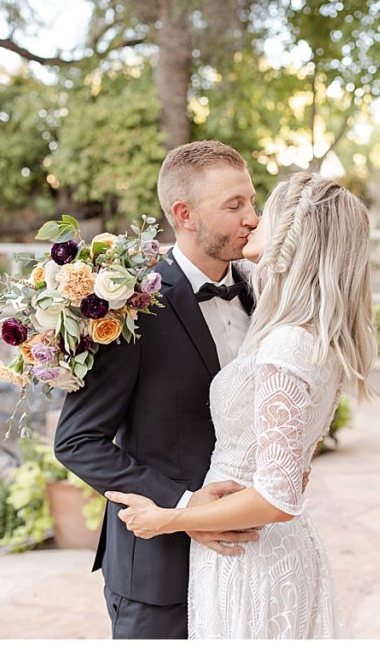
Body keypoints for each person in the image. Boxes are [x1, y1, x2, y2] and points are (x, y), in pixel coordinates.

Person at [107, 172, 377, 639]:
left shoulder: (287, 342)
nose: (252, 221)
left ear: (296, 235)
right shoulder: (304, 328)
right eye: (240, 206)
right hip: (255, 548)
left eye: (262, 210)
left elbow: (276, 497)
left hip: (250, 551)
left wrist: (170, 519)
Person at [54, 140, 261, 639]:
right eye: (234, 206)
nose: (252, 218)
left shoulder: (261, 292)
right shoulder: (131, 307)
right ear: (185, 214)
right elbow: (77, 442)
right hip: (159, 574)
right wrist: (186, 507)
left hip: (251, 562)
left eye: (252, 201)